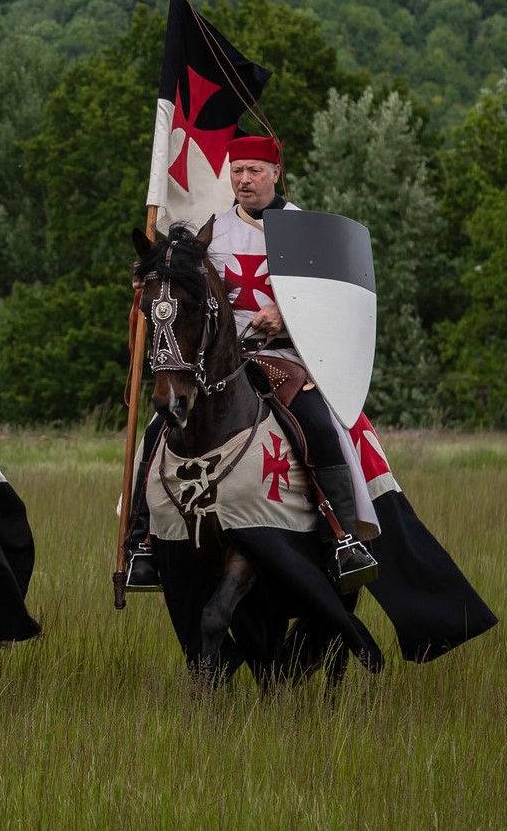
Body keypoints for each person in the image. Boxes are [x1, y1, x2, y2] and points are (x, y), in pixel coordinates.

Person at [126, 133, 378, 592]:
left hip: (288, 357)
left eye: (254, 171)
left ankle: (341, 540)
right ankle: (141, 544)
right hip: (225, 359)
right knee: (155, 431)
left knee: (318, 427)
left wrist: (288, 313)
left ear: (276, 173)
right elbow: (187, 288)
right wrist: (149, 278)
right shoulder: (213, 231)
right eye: (237, 170)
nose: (244, 180)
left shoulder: (306, 229)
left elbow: (333, 299)